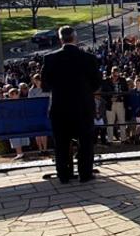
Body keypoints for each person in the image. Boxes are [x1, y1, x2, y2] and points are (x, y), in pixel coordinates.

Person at [41, 26, 102, 184]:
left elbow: (45, 86)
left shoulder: (50, 59)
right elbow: (96, 84)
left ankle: (64, 174)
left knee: (61, 143)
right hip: (83, 107)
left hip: (60, 107)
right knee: (85, 142)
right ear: (75, 38)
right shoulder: (88, 58)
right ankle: (85, 174)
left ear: (60, 39)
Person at [102, 66, 129, 143]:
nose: (115, 77)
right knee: (110, 122)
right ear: (111, 73)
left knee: (122, 121)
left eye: (117, 75)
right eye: (114, 75)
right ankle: (110, 139)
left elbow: (126, 91)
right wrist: (109, 98)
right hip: (110, 104)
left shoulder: (123, 80)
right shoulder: (106, 81)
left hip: (120, 103)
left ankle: (123, 139)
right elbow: (103, 94)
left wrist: (123, 97)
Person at [28, 73, 49, 155]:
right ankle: (40, 150)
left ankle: (45, 149)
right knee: (38, 133)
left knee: (44, 132)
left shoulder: (46, 88)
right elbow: (30, 102)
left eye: (38, 80)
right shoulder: (31, 90)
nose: (37, 82)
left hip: (44, 112)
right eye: (35, 80)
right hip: (36, 113)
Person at [7, 88, 30, 160]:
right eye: (11, 94)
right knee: (15, 138)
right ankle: (19, 153)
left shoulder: (22, 102)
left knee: (21, 137)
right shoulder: (8, 104)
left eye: (14, 94)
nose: (12, 96)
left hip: (21, 123)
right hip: (13, 124)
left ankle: (21, 153)